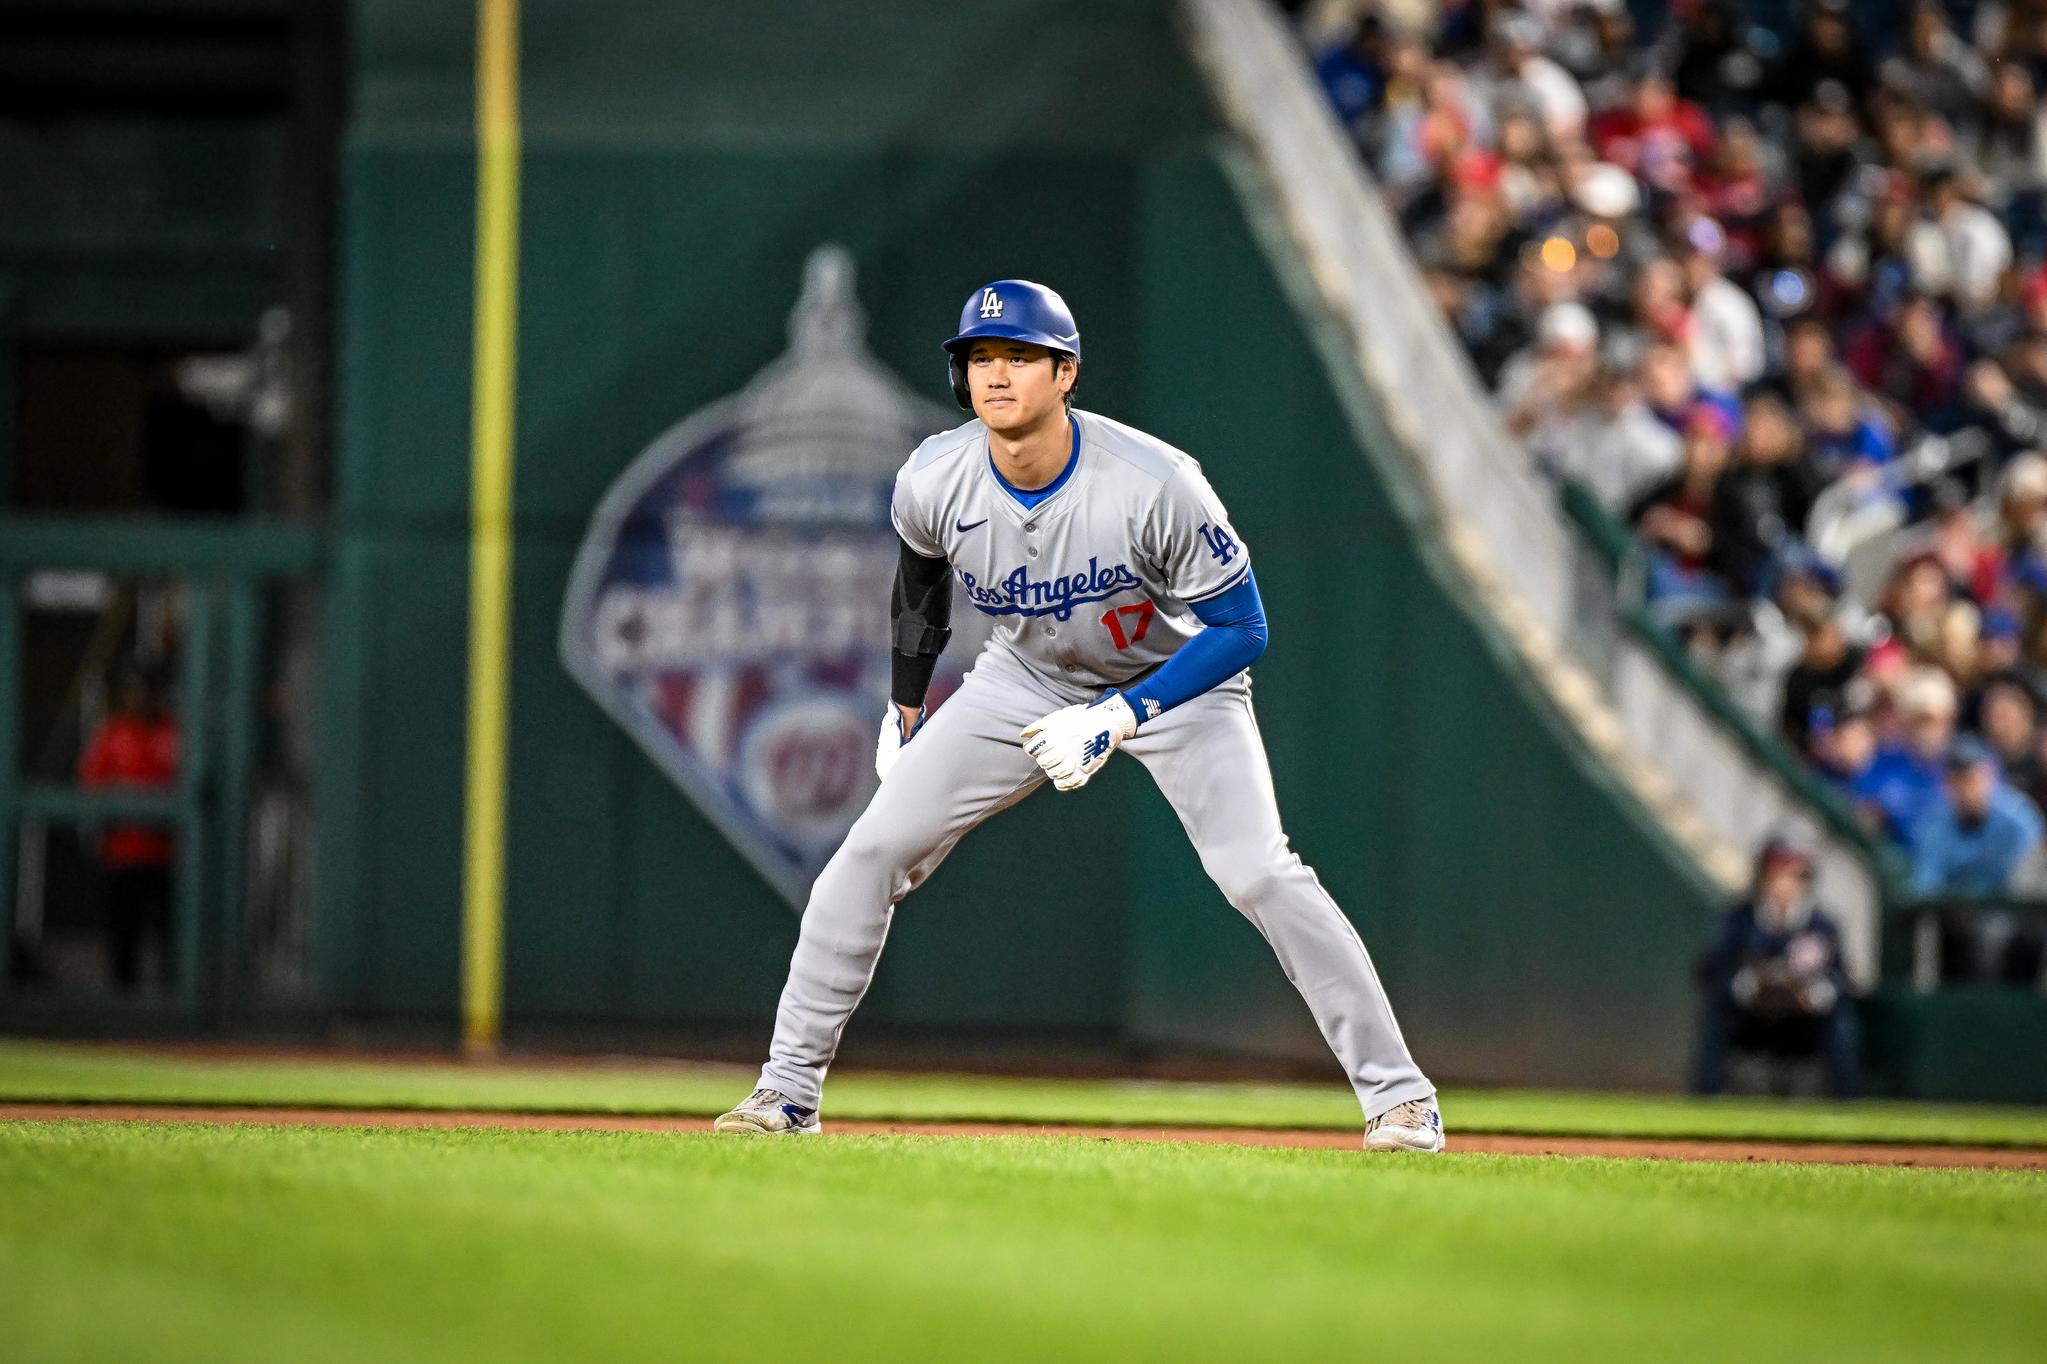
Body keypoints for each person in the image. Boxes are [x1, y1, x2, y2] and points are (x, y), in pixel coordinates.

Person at [714, 281, 1442, 1152]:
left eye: (1018, 357)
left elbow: (1242, 629)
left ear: (1065, 373)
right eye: (979, 358)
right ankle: (785, 1094)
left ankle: (1401, 1099)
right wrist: (906, 706)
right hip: (1022, 678)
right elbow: (919, 592)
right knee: (867, 854)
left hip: (1178, 686)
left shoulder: (1155, 481)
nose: (995, 375)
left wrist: (1123, 714)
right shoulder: (933, 476)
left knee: (1259, 873)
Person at [1692, 836, 1860, 1098]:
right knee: (1716, 1010)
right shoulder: (1741, 918)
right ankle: (1704, 1095)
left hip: (1803, 1021)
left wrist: (1816, 993)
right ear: (1764, 878)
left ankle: (1849, 1103)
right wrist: (1745, 986)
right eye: (1777, 874)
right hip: (1752, 1018)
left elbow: (1841, 980)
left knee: (1840, 1021)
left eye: (1794, 875)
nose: (1784, 884)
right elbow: (1711, 970)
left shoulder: (1821, 924)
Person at [77, 670, 179, 992]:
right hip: (121, 853)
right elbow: (91, 783)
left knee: (171, 936)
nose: (140, 698)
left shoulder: (174, 732)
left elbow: (188, 784)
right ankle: (122, 1000)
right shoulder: (113, 733)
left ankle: (171, 999)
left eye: (146, 691)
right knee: (123, 933)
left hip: (166, 855)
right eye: (134, 691)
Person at [1911, 735, 2045, 896]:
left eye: (1973, 779)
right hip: (1952, 914)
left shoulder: (2018, 819)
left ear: (1991, 776)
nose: (1966, 790)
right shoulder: (1937, 820)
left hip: (2009, 915)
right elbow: (1926, 885)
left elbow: (2029, 886)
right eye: (1957, 780)